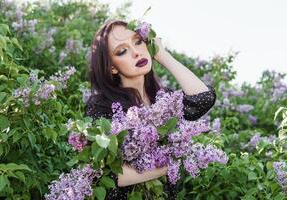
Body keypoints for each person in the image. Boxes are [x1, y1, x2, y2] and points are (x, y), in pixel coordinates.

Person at [85, 19, 216, 200]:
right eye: (122, 51)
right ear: (112, 67)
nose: (135, 52)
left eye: (138, 41)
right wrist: (173, 161)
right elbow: (110, 174)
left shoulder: (165, 101)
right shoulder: (101, 106)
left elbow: (204, 97)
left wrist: (162, 55)